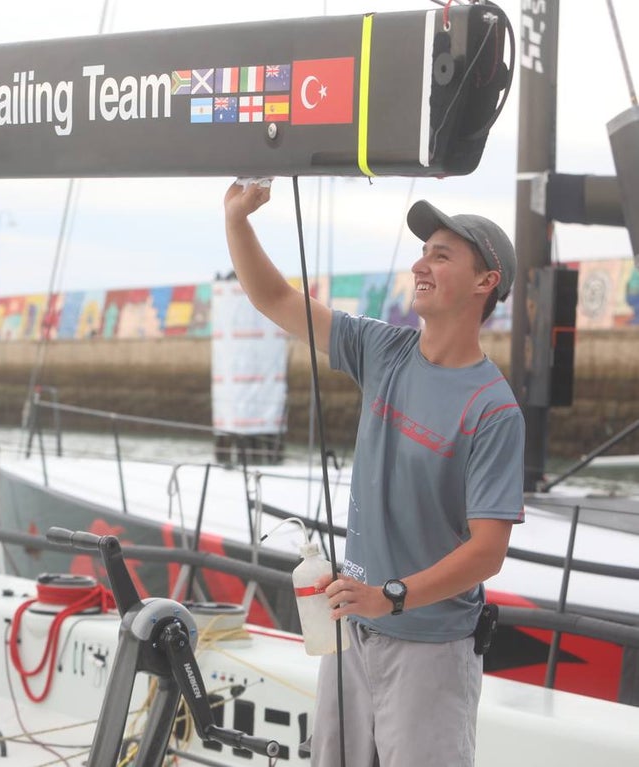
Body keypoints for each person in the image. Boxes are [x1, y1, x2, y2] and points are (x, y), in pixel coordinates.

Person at [223, 180, 525, 767]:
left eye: (442, 255)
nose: (421, 263)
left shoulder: (493, 409)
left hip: (430, 649)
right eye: (423, 251)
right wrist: (238, 222)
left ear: (486, 283)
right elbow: (276, 300)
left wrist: (389, 596)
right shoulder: (382, 350)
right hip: (350, 627)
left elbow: (488, 552)